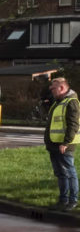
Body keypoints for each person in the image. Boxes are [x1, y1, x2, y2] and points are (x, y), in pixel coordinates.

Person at [44, 77, 79, 211]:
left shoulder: (71, 102)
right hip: (54, 145)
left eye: (53, 88)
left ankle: (72, 201)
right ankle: (63, 200)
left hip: (64, 146)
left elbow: (73, 125)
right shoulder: (58, 102)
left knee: (69, 173)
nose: (51, 90)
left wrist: (65, 143)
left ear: (62, 88)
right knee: (61, 174)